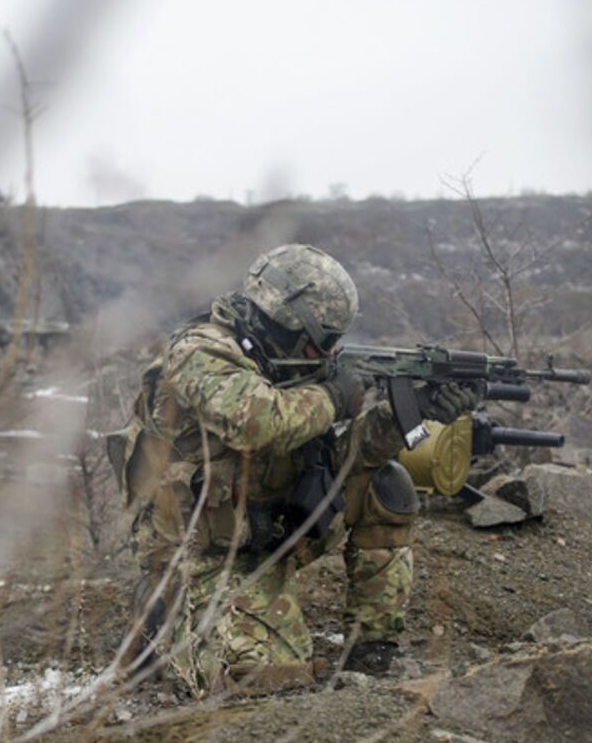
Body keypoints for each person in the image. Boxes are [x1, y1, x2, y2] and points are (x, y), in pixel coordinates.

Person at [109, 243, 478, 694]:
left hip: (273, 522)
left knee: (385, 484)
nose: (329, 352)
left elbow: (347, 454)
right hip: (202, 552)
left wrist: (412, 412)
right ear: (283, 325)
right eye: (322, 341)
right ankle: (161, 612)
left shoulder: (288, 360)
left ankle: (372, 648)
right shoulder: (199, 353)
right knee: (263, 682)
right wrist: (336, 395)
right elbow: (257, 423)